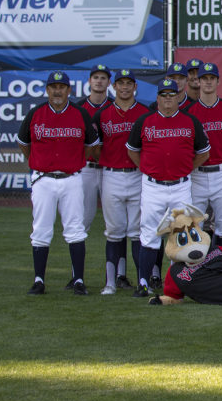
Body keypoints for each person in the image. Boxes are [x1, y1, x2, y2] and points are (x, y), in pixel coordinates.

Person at [127, 78, 210, 297]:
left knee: (183, 234)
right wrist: (148, 168)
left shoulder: (190, 121)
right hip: (153, 186)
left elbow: (204, 152)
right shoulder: (144, 121)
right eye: (163, 94)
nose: (167, 99)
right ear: (157, 97)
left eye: (171, 94)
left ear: (178, 97)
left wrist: (184, 168)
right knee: (149, 234)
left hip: (181, 185)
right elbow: (132, 150)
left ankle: (180, 285)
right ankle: (143, 282)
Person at [18, 70, 99, 296]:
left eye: (61, 87)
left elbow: (91, 145)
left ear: (68, 90)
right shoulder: (35, 114)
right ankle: (38, 280)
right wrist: (39, 161)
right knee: (41, 229)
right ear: (47, 89)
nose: (57, 90)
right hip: (44, 179)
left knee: (75, 229)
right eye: (53, 87)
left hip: (71, 178)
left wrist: (72, 160)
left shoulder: (80, 114)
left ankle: (79, 280)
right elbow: (24, 143)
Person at [93, 68, 148, 294]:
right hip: (112, 175)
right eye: (120, 83)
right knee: (114, 231)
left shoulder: (145, 113)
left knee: (137, 231)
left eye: (129, 83)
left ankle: (142, 281)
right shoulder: (102, 114)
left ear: (135, 87)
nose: (124, 87)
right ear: (113, 86)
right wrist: (108, 160)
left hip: (137, 175)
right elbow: (95, 147)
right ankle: (110, 283)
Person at [188, 62, 222, 247]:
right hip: (197, 174)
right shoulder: (189, 112)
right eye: (205, 78)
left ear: (218, 81)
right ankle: (193, 273)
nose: (208, 82)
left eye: (212, 78)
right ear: (199, 81)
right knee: (194, 224)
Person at [77, 64, 112, 238]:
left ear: (109, 82)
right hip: (87, 168)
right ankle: (76, 264)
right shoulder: (78, 108)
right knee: (82, 220)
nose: (99, 81)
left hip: (109, 169)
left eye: (103, 78)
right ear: (90, 81)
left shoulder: (115, 107)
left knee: (115, 223)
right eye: (96, 77)